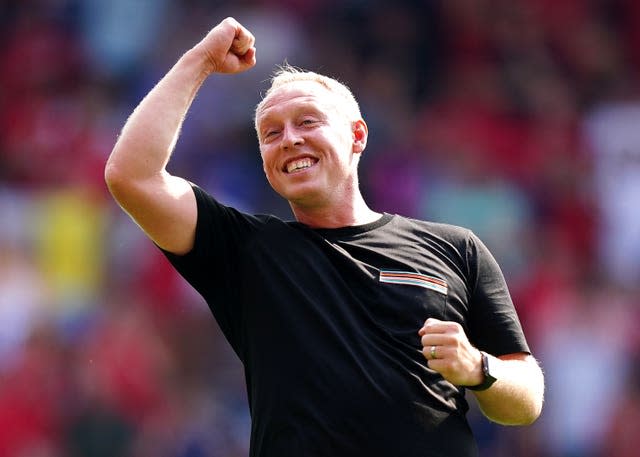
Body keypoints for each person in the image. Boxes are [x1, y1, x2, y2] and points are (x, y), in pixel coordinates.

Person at [105, 17, 544, 457]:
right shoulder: (246, 251)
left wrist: (479, 368)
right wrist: (200, 60)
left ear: (357, 136)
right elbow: (132, 176)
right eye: (271, 133)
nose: (290, 140)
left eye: (307, 122)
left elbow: (525, 402)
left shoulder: (455, 248)